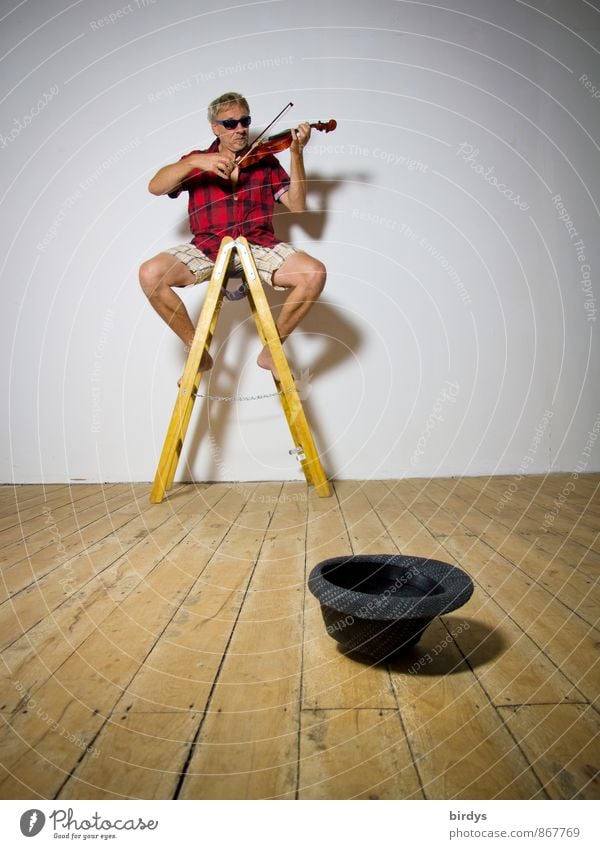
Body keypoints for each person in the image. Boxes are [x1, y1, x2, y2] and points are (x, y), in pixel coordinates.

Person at [139, 91, 326, 380]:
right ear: (214, 127)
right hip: (209, 247)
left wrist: (295, 153)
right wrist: (195, 162)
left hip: (258, 244)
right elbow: (155, 186)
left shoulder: (265, 161)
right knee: (151, 274)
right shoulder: (197, 161)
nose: (240, 129)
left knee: (313, 273)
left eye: (244, 121)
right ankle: (196, 349)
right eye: (230, 123)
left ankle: (272, 350)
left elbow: (298, 205)